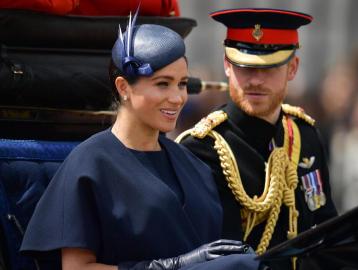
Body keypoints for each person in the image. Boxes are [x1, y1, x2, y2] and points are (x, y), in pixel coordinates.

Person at [20, 13, 260, 270]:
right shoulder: (90, 163)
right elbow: (77, 268)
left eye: (181, 84)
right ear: (123, 87)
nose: (177, 98)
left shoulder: (192, 164)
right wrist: (165, 267)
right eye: (162, 84)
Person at [177, 8, 338, 267]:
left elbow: (326, 227)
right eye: (245, 67)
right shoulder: (202, 148)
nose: (255, 80)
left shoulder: (305, 136)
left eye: (270, 68)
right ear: (227, 66)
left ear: (292, 68)